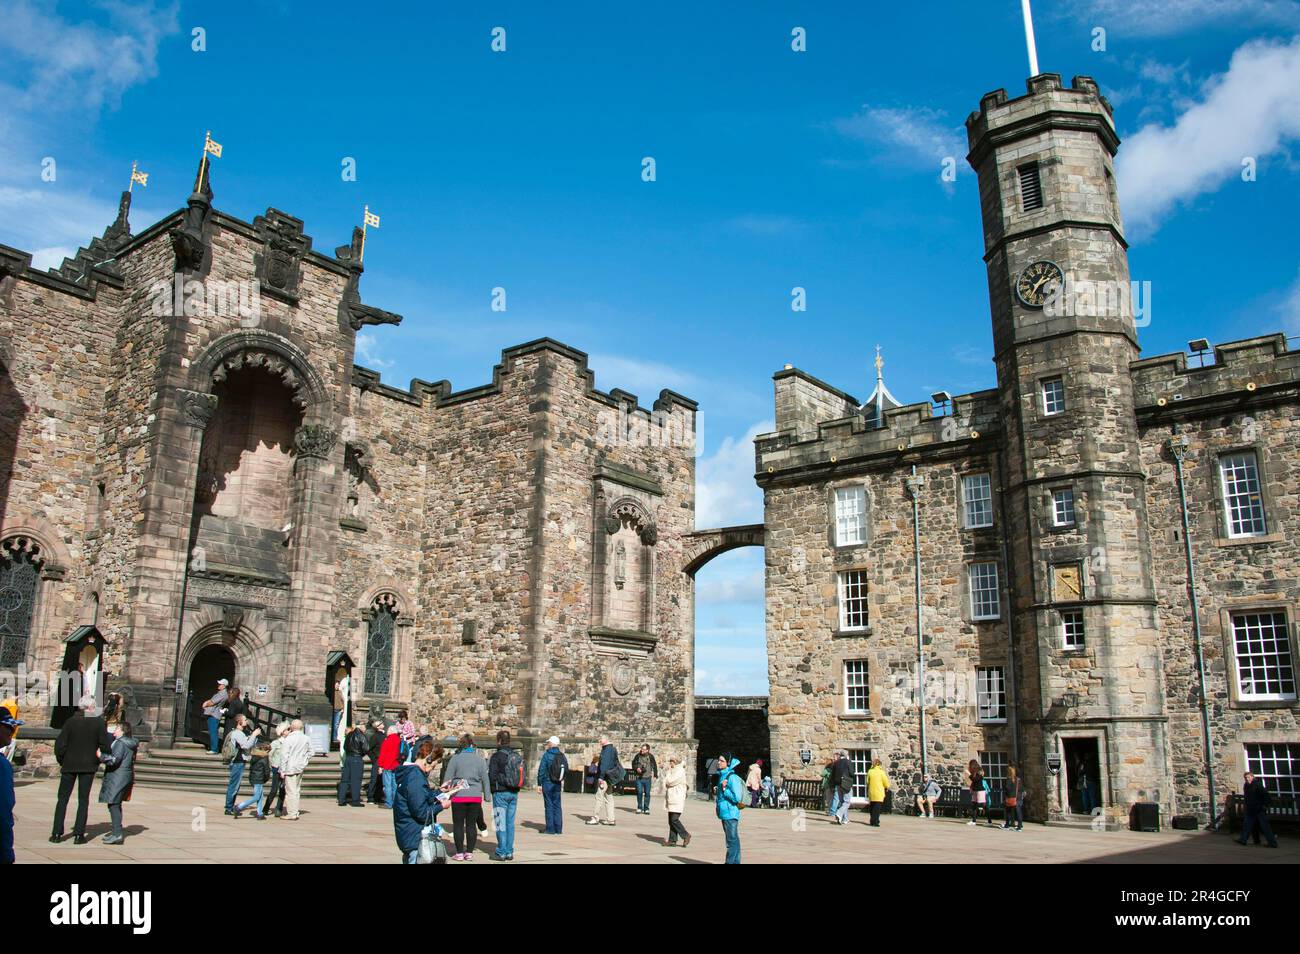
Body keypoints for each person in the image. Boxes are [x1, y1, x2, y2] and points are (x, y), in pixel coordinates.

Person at [51, 694, 113, 844]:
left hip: (69, 764)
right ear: (90, 707)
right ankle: (79, 834)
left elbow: (60, 745)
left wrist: (62, 760)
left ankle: (56, 834)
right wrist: (99, 758)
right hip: (88, 765)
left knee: (62, 799)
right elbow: (105, 746)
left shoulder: (70, 722)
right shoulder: (98, 723)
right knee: (83, 800)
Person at [393, 737, 449, 864]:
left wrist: (440, 792)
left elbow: (421, 798)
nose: (431, 769)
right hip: (414, 836)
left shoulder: (412, 774)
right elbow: (421, 812)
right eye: (433, 766)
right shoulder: (416, 778)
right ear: (428, 760)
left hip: (409, 833)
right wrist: (441, 806)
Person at [441, 733, 492, 861]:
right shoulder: (479, 759)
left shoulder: (455, 758)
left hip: (459, 795)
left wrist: (444, 794)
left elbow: (448, 777)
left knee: (458, 825)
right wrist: (487, 795)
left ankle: (459, 853)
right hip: (475, 796)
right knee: (471, 825)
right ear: (472, 745)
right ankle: (469, 852)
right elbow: (485, 779)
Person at [97, 721, 139, 844]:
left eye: (116, 729)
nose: (114, 731)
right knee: (115, 803)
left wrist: (101, 756)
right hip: (124, 775)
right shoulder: (129, 743)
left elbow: (114, 760)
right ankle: (116, 832)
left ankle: (117, 833)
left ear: (123, 731)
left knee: (113, 804)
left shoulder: (121, 743)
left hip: (118, 776)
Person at [488, 729, 523, 861]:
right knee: (510, 823)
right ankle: (509, 851)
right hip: (513, 793)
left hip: (500, 792)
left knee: (500, 823)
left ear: (498, 741)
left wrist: (492, 791)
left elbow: (492, 776)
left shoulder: (496, 757)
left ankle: (501, 851)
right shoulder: (515, 755)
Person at [223, 714, 261, 815]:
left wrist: (252, 736)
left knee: (235, 785)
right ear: (239, 722)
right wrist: (254, 735)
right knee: (234, 785)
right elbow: (246, 745)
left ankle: (230, 806)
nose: (246, 721)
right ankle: (228, 808)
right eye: (245, 720)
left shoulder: (239, 733)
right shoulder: (237, 733)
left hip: (238, 761)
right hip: (237, 762)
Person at [279, 719, 313, 820]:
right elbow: (312, 752)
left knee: (290, 792)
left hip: (290, 768)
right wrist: (304, 760)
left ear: (292, 728)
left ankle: (292, 813)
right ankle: (295, 811)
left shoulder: (288, 739)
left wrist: (282, 770)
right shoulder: (306, 738)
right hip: (300, 767)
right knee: (296, 790)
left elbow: (284, 756)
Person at [714, 753, 745, 864]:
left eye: (722, 761)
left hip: (730, 812)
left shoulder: (732, 777)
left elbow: (736, 797)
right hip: (725, 812)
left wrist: (724, 789)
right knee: (734, 840)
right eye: (719, 760)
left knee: (731, 841)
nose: (719, 762)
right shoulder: (723, 775)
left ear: (728, 763)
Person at [1, 706, 22, 864]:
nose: (12, 730)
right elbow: (3, 810)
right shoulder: (2, 765)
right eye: (7, 727)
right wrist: (6, 853)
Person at [586, 736, 621, 826]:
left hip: (604, 778)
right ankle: (611, 819)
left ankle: (595, 818)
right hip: (609, 777)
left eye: (601, 739)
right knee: (609, 797)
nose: (599, 740)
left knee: (599, 797)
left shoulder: (607, 750)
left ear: (606, 740)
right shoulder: (612, 749)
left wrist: (601, 777)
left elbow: (604, 765)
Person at [1237, 771, 1279, 849]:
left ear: (1252, 777)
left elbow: (1266, 796)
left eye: (1248, 777)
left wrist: (1264, 806)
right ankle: (1245, 840)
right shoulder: (1246, 785)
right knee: (1248, 825)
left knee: (1265, 826)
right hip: (1251, 809)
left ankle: (1272, 843)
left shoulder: (1258, 785)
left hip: (1259, 809)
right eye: (1245, 778)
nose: (1247, 779)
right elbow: (1247, 797)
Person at [537, 735, 568, 834]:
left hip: (547, 782)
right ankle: (558, 829)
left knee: (549, 805)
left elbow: (542, 769)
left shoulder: (547, 754)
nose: (548, 744)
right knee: (557, 805)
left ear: (551, 743)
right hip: (557, 783)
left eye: (548, 742)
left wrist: (539, 783)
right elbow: (566, 769)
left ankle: (550, 829)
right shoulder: (561, 755)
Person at [234, 744, 272, 819]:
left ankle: (260, 813)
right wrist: (266, 779)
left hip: (253, 778)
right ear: (266, 750)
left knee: (260, 796)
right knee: (257, 797)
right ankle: (239, 807)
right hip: (259, 779)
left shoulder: (254, 756)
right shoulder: (264, 757)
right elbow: (267, 770)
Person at [262, 722, 290, 818]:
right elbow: (269, 754)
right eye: (287, 729)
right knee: (274, 789)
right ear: (282, 732)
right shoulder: (276, 743)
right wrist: (272, 765)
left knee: (282, 789)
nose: (289, 731)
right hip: (276, 768)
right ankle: (266, 808)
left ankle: (279, 809)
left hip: (286, 768)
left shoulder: (289, 742)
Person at [663, 754, 691, 847]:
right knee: (670, 820)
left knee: (674, 819)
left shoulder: (679, 771)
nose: (670, 763)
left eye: (671, 761)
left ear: (675, 762)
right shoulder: (673, 770)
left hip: (677, 797)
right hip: (672, 797)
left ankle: (685, 835)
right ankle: (672, 840)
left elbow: (670, 781)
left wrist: (667, 774)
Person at [337, 720, 367, 807]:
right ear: (361, 727)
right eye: (364, 727)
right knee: (356, 780)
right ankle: (355, 801)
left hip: (348, 758)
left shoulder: (349, 735)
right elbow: (366, 748)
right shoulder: (361, 736)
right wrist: (361, 754)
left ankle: (341, 800)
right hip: (357, 758)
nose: (365, 729)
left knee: (344, 780)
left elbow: (345, 746)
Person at [201, 678, 229, 754]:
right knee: (212, 731)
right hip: (214, 714)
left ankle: (214, 749)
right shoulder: (221, 693)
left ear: (224, 686)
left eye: (220, 684)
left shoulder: (222, 694)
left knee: (213, 732)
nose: (218, 685)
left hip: (214, 714)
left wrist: (205, 703)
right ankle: (214, 748)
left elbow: (212, 702)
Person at [378, 724, 403, 809]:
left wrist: (380, 766)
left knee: (387, 785)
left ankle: (389, 803)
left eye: (388, 730)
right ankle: (395, 802)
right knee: (395, 785)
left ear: (391, 731)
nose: (387, 732)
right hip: (396, 765)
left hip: (387, 765)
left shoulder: (387, 741)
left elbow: (382, 754)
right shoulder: (399, 741)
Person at [365, 717, 387, 806]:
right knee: (374, 779)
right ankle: (370, 797)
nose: (383, 724)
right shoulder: (375, 736)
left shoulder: (384, 736)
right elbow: (369, 749)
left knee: (381, 780)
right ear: (378, 727)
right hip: (377, 760)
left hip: (384, 760)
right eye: (381, 723)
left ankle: (378, 796)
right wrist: (374, 759)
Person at [632, 744, 658, 815]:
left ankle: (646, 808)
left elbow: (654, 765)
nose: (642, 750)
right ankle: (639, 807)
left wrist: (655, 775)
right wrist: (636, 768)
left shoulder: (650, 756)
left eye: (644, 749)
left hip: (648, 778)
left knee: (647, 793)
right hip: (639, 778)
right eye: (641, 749)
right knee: (639, 792)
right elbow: (633, 764)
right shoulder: (637, 756)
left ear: (647, 750)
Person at [831, 751, 854, 825]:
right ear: (846, 755)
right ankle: (839, 813)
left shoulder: (836, 763)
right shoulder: (848, 762)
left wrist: (833, 784)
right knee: (847, 802)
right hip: (846, 784)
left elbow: (832, 775)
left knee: (842, 802)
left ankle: (845, 819)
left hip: (838, 784)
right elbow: (852, 773)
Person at [865, 758, 890, 827]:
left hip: (871, 791)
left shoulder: (870, 771)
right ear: (879, 764)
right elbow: (885, 782)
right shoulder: (881, 772)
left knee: (872, 807)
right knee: (877, 808)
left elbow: (867, 782)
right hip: (879, 792)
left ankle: (872, 821)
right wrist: (887, 787)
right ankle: (876, 822)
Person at [967, 759, 992, 826]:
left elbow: (975, 779)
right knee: (974, 806)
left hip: (980, 791)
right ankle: (974, 821)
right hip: (975, 790)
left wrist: (969, 774)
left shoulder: (979, 770)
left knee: (984, 806)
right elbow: (974, 781)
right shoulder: (974, 772)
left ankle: (989, 821)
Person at [1001, 766, 1024, 831]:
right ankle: (1020, 826)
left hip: (1011, 798)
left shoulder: (1008, 780)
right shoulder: (1018, 779)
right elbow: (1022, 789)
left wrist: (1005, 797)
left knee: (1008, 812)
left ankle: (1007, 825)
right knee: (1019, 812)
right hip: (1018, 798)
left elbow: (1007, 789)